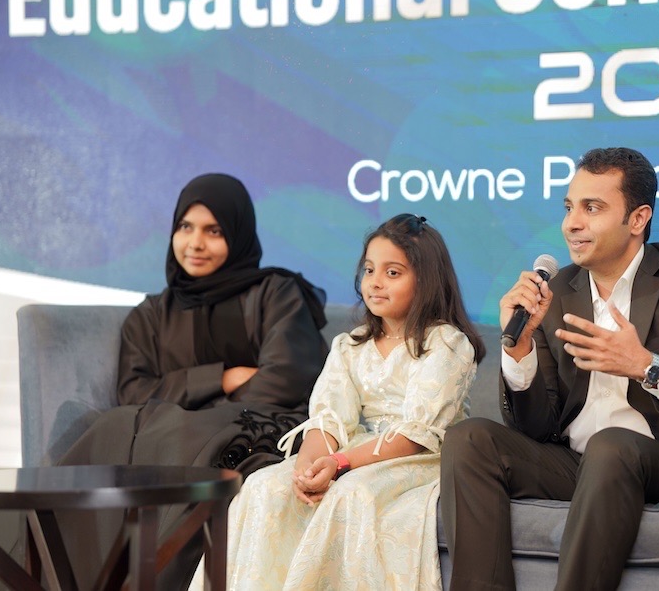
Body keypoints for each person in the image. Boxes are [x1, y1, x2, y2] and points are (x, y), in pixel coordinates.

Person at [440, 147, 659, 590]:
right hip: (581, 464)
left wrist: (647, 367)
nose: (571, 223)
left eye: (592, 208)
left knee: (612, 445)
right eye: (569, 207)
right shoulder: (556, 290)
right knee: (470, 439)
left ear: (637, 219)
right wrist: (521, 352)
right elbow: (536, 429)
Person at [58, 173, 330, 589]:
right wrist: (221, 378)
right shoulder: (151, 315)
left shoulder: (276, 293)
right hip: (172, 439)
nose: (195, 243)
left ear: (237, 235)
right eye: (185, 227)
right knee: (113, 426)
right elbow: (133, 392)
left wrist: (196, 409)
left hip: (258, 434)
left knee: (168, 435)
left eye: (213, 231)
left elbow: (287, 379)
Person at [189, 213, 486, 591]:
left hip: (419, 457)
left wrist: (340, 463)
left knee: (351, 493)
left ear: (426, 281)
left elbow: (416, 435)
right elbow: (328, 418)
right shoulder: (350, 346)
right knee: (266, 485)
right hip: (353, 451)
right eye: (369, 270)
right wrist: (308, 467)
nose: (375, 282)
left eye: (393, 273)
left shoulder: (446, 343)